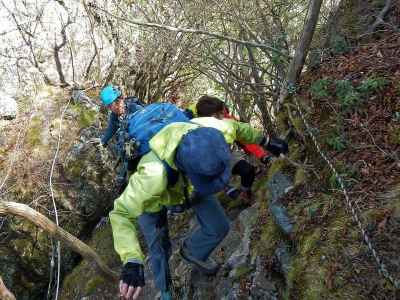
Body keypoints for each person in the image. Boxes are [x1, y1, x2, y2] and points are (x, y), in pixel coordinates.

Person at [110, 117, 288, 300]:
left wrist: (265, 141)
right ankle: (166, 292)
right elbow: (121, 212)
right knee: (159, 248)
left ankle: (192, 251)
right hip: (152, 202)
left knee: (219, 226)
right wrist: (131, 259)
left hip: (190, 187)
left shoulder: (211, 131)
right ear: (190, 172)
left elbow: (237, 127)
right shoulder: (152, 174)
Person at [192, 95, 276, 201]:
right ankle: (229, 190)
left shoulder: (223, 119)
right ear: (213, 116)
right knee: (221, 179)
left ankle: (245, 194)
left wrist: (265, 147)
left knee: (248, 171)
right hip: (208, 163)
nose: (225, 116)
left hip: (226, 153)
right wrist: (224, 186)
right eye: (222, 114)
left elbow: (245, 132)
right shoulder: (194, 134)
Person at [98, 85, 144, 188]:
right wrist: (103, 141)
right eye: (109, 107)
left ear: (119, 101)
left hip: (141, 147)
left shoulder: (135, 108)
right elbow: (111, 129)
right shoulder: (114, 116)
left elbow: (146, 127)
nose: (110, 109)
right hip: (128, 151)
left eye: (111, 105)